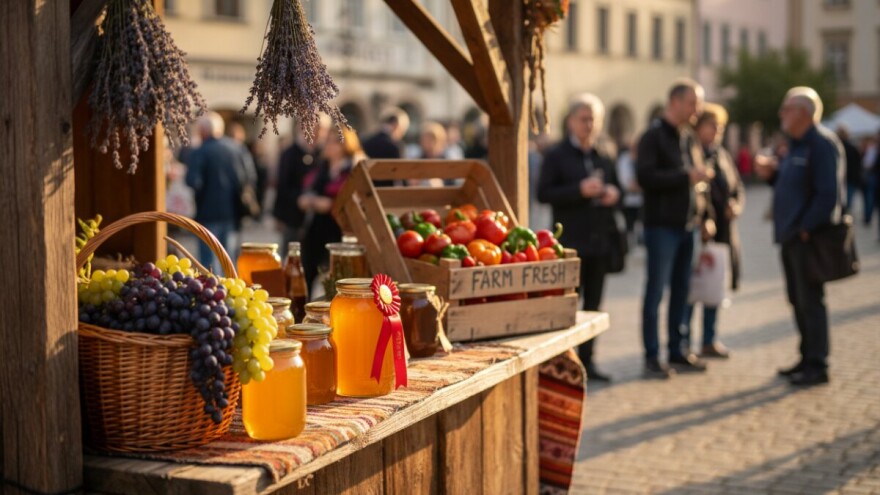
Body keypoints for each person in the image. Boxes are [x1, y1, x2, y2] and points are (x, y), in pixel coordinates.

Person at [755, 86, 845, 386]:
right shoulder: (795, 144)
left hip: (808, 238)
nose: (782, 114)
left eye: (787, 108)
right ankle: (806, 356)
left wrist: (806, 228)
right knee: (798, 300)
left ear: (804, 113)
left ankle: (818, 364)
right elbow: (790, 184)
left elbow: (827, 195)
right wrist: (772, 177)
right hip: (791, 236)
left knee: (811, 301)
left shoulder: (821, 144)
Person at [537, 94, 621, 382]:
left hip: (599, 240)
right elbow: (544, 193)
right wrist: (578, 190)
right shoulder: (557, 154)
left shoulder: (604, 152)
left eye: (593, 119)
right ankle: (562, 363)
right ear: (571, 121)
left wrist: (613, 194)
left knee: (595, 305)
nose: (589, 125)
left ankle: (588, 361)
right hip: (570, 242)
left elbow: (616, 186)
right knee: (568, 306)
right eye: (584, 119)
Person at [636, 78, 714, 379]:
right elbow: (646, 178)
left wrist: (704, 214)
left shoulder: (688, 137)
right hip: (661, 228)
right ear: (675, 102)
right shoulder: (652, 137)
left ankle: (678, 351)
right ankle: (652, 356)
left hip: (688, 226)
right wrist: (686, 176)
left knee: (683, 292)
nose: (698, 109)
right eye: (693, 102)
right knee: (656, 292)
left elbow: (697, 183)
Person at [682, 103, 745, 359]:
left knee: (715, 286)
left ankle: (709, 339)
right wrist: (703, 219)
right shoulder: (692, 153)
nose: (717, 131)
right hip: (700, 229)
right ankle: (684, 341)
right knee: (692, 286)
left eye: (720, 127)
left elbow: (737, 187)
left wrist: (736, 205)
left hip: (723, 231)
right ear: (699, 128)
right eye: (712, 126)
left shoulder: (722, 155)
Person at [298, 128, 364, 294]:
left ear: (345, 144)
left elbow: (357, 198)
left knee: (338, 280)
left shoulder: (354, 167)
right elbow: (309, 190)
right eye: (327, 140)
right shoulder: (322, 166)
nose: (328, 145)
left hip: (341, 230)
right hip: (316, 228)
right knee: (307, 272)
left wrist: (331, 204)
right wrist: (309, 200)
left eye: (334, 141)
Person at [185, 112, 252, 272]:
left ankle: (213, 295)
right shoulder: (236, 148)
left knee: (209, 266)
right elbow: (249, 177)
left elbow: (193, 181)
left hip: (207, 214)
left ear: (203, 131)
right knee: (228, 261)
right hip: (232, 213)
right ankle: (229, 294)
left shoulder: (200, 151)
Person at [273, 120, 328, 259]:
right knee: (292, 259)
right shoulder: (289, 154)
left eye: (321, 130)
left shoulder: (324, 154)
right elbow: (282, 186)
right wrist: (280, 215)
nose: (317, 134)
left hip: (319, 221)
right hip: (293, 217)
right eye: (314, 129)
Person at [362, 108, 409, 187]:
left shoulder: (366, 142)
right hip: (387, 193)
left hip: (368, 190)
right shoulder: (395, 146)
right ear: (396, 125)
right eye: (402, 131)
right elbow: (402, 175)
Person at [616, 136, 644, 245]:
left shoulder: (641, 158)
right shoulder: (624, 159)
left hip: (640, 200)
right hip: (628, 200)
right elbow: (626, 182)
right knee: (629, 225)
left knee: (639, 224)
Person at [836, 125, 862, 214]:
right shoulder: (853, 148)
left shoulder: (836, 147)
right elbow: (859, 164)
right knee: (847, 202)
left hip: (843, 179)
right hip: (849, 179)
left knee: (841, 201)